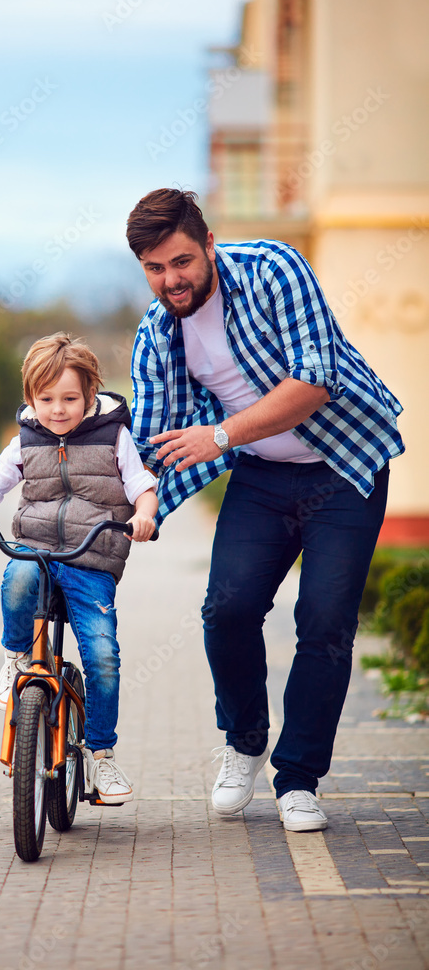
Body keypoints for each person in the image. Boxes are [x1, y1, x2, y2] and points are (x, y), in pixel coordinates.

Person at [126, 188, 404, 831]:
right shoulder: (157, 332)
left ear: (210, 246)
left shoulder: (275, 270)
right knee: (228, 609)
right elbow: (144, 439)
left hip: (344, 468)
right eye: (155, 268)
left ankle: (299, 778)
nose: (172, 280)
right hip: (261, 478)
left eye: (183, 262)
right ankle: (245, 742)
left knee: (326, 620)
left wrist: (220, 435)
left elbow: (315, 379)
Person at [0, 332, 158, 805]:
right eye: (46, 399)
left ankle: (102, 756)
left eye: (70, 398)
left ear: (90, 395)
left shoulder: (114, 436)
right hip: (36, 552)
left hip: (91, 561)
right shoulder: (27, 440)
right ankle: (15, 659)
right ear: (30, 399)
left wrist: (144, 515)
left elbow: (142, 485)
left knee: (102, 656)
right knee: (16, 577)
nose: (58, 410)